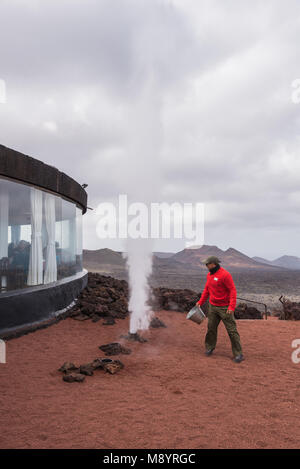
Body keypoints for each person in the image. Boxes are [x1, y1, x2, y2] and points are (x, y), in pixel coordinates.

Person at [196, 255, 244, 363]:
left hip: (225, 308)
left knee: (232, 331)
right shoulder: (209, 275)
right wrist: (200, 302)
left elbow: (232, 290)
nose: (206, 266)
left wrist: (231, 306)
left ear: (213, 264)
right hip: (212, 307)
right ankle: (209, 347)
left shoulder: (225, 275)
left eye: (207, 264)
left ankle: (238, 354)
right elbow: (206, 290)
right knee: (211, 328)